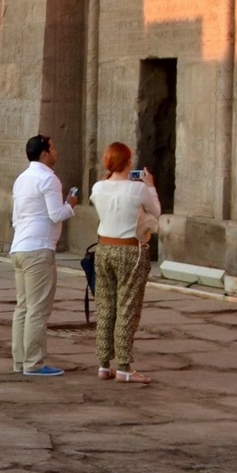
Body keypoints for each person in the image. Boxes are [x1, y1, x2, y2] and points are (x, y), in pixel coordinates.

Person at [90, 142, 162, 383]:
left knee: (105, 306)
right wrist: (150, 186)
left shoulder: (98, 187)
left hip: (104, 249)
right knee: (127, 308)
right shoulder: (137, 189)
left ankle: (103, 364)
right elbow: (156, 211)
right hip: (130, 250)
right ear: (128, 162)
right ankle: (123, 367)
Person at [8, 133, 77, 377]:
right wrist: (71, 204)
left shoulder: (22, 178)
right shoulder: (48, 178)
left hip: (20, 245)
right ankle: (34, 362)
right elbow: (56, 214)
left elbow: (16, 216)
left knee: (24, 307)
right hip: (38, 247)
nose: (56, 151)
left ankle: (20, 360)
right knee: (37, 309)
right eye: (53, 147)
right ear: (44, 153)